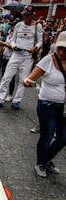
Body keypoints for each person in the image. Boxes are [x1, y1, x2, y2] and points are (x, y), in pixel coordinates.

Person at [24, 31, 66, 178]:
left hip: (64, 107)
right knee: (47, 136)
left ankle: (46, 159)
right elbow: (30, 77)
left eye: (65, 49)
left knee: (63, 139)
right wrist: (28, 82)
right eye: (60, 48)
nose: (61, 52)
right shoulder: (48, 60)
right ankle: (41, 163)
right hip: (47, 105)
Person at [0, 5, 43, 110]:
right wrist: (14, 46)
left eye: (27, 15)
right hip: (16, 54)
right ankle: (0, 99)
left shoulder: (37, 26)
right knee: (6, 77)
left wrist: (35, 48)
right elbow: (13, 39)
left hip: (27, 56)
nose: (25, 17)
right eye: (24, 15)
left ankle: (17, 101)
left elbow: (40, 41)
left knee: (23, 80)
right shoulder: (19, 25)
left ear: (33, 15)